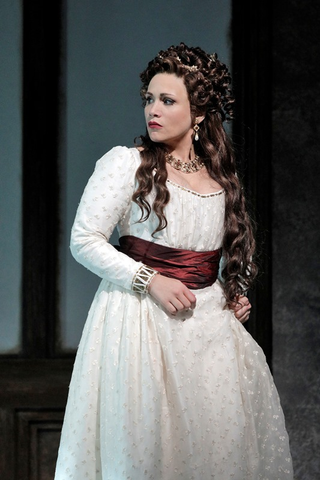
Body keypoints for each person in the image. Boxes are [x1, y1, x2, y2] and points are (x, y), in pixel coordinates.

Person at [54, 43, 293, 479]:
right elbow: (84, 239)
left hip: (207, 331)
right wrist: (150, 280)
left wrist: (231, 294)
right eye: (149, 99)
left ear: (199, 113)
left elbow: (215, 250)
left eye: (167, 100)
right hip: (139, 321)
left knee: (215, 448)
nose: (153, 110)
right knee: (146, 449)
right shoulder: (127, 164)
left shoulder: (219, 176)